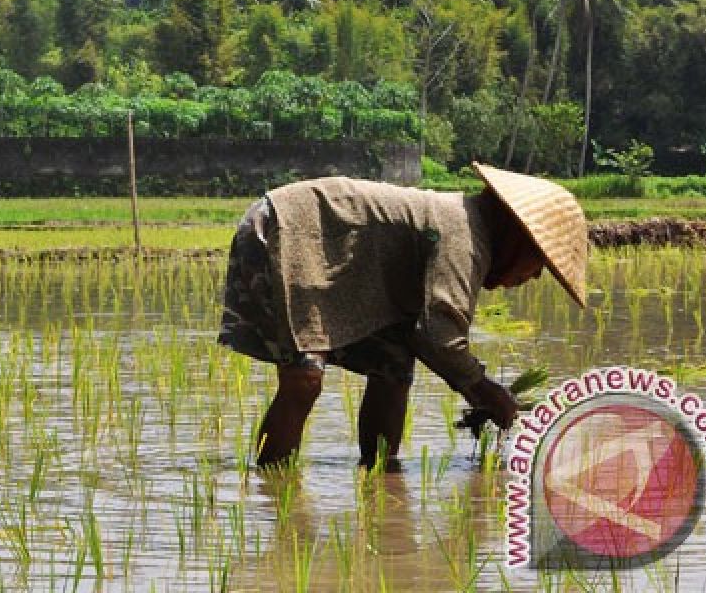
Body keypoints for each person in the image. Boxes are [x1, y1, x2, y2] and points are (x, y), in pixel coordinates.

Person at [218, 162, 588, 470]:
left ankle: (380, 477)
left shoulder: (467, 227)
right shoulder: (464, 234)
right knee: (304, 378)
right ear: (518, 237)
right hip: (292, 230)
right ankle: (273, 492)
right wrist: (489, 393)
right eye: (538, 263)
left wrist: (481, 392)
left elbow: (421, 338)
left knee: (392, 368)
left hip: (338, 261)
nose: (534, 276)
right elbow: (440, 337)